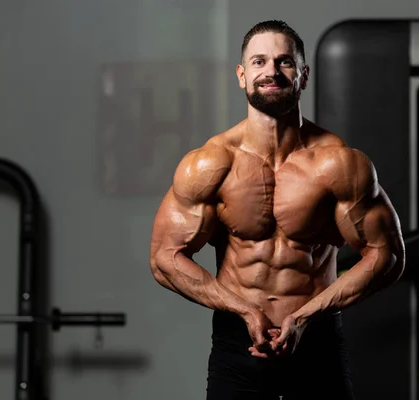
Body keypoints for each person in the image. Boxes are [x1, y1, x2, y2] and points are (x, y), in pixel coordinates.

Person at [149, 20, 405, 400]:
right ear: (242, 75)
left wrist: (305, 316)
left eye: (284, 62)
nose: (270, 71)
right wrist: (245, 311)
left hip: (317, 344)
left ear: (303, 76)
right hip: (237, 347)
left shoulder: (338, 165)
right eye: (259, 62)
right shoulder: (210, 165)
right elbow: (164, 259)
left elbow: (388, 256)